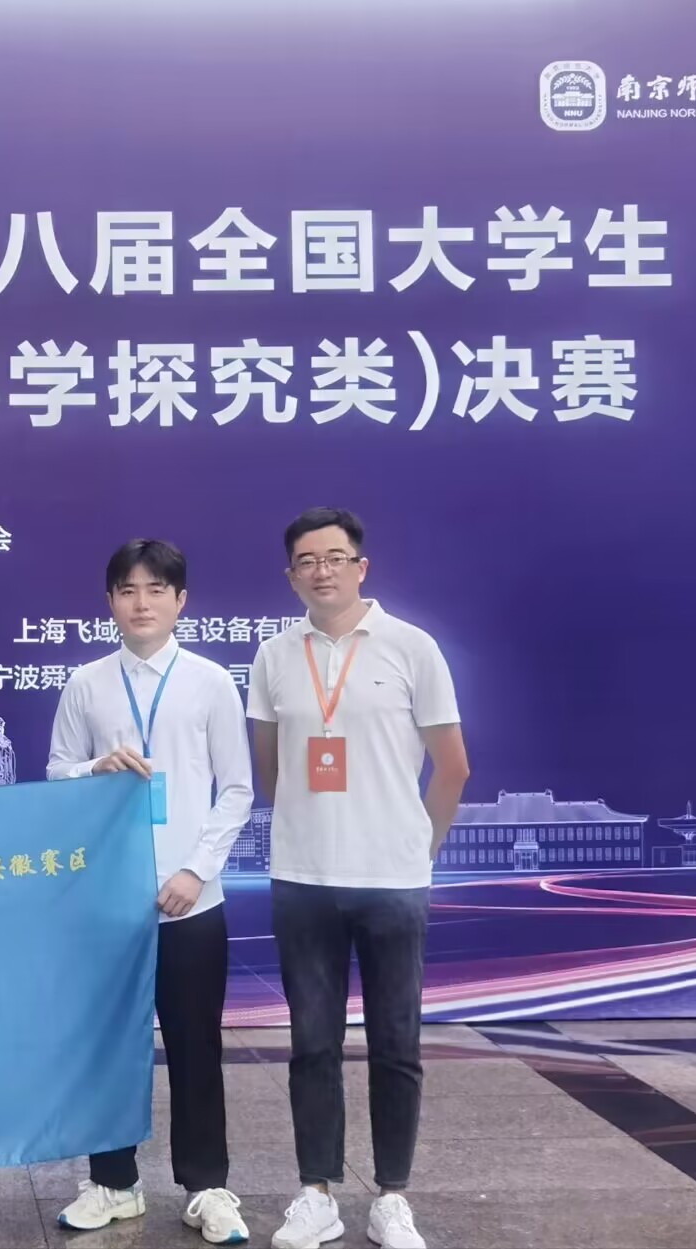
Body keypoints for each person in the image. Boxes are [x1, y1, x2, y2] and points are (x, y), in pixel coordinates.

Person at [246, 508, 469, 1249]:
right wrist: (311, 826)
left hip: (392, 881)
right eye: (307, 560)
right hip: (303, 877)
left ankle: (392, 1198)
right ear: (291, 575)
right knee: (312, 1042)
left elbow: (453, 765)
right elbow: (270, 768)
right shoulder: (275, 655)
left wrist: (417, 848)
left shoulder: (412, 647)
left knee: (395, 1043)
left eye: (336, 557)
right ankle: (317, 1193)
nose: (323, 571)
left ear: (361, 567)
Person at [47, 540, 254, 1247]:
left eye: (156, 589)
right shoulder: (86, 683)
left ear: (180, 600)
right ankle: (112, 1182)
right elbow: (56, 774)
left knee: (196, 1045)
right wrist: (94, 769)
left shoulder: (210, 681)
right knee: (110, 1047)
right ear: (110, 600)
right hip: (107, 899)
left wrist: (196, 870)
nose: (142, 602)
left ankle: (206, 1187)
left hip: (190, 897)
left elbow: (237, 788)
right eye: (128, 590)